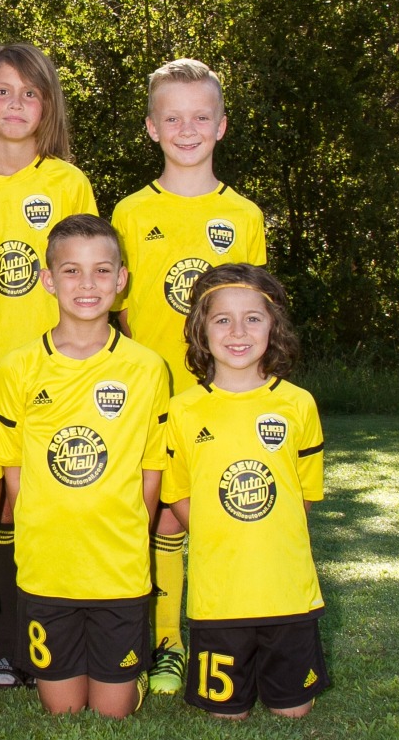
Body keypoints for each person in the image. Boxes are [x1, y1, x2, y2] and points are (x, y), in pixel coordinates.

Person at [0, 42, 97, 690]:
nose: (15, 104)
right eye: (2, 90)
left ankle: (58, 638)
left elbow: (90, 280)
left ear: (47, 107)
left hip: (55, 376)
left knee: (47, 504)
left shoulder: (68, 183)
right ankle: (2, 645)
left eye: (30, 93)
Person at [111, 58, 268, 695]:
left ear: (221, 126)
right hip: (151, 393)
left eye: (200, 117)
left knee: (212, 513)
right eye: (172, 118)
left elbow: (256, 313)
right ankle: (161, 640)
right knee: (153, 516)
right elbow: (119, 312)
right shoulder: (128, 211)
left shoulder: (245, 215)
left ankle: (219, 632)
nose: (186, 129)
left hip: (219, 398)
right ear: (151, 128)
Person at [0, 214, 168, 718]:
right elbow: (13, 465)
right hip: (48, 566)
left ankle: (132, 671)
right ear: (48, 280)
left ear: (121, 279)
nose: (87, 284)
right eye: (71, 271)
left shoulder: (146, 368)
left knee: (113, 712)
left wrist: (133, 530)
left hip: (119, 566)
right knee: (63, 710)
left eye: (101, 271)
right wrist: (37, 523)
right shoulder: (19, 367)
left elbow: (151, 467)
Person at [163, 263, 328, 719]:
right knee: (226, 714)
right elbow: (178, 493)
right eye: (223, 319)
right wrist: (219, 534)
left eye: (253, 318)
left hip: (287, 590)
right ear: (201, 329)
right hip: (220, 593)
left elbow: (304, 493)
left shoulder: (298, 404)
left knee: (292, 712)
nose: (238, 331)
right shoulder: (183, 410)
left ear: (273, 327)